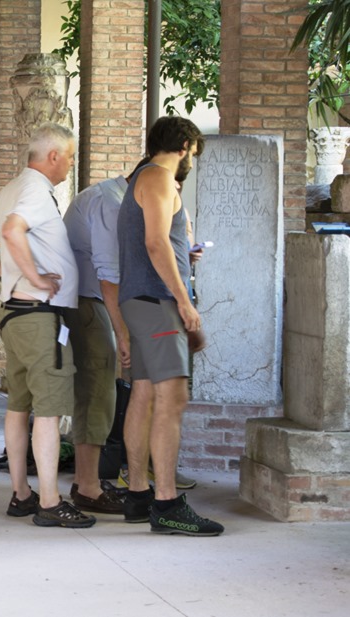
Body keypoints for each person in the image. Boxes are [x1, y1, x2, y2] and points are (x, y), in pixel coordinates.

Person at [0, 122, 94, 529]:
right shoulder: (36, 190)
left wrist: (9, 276)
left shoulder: (12, 188)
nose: (71, 164)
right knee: (49, 411)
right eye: (70, 156)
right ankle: (52, 502)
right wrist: (37, 279)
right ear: (53, 156)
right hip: (39, 317)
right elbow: (9, 231)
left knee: (19, 406)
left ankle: (22, 494)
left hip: (14, 315)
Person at [117, 115, 223, 536]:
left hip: (141, 299)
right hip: (158, 303)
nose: (190, 162)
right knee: (173, 397)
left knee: (142, 394)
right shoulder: (160, 177)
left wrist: (184, 256)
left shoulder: (141, 178)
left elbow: (163, 242)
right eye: (192, 154)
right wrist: (184, 300)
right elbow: (155, 242)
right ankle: (166, 502)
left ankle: (139, 495)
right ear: (183, 146)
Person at [62, 173, 132, 515]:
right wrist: (123, 333)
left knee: (98, 391)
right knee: (97, 391)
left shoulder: (110, 196)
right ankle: (87, 486)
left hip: (88, 301)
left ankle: (86, 480)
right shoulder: (111, 203)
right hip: (88, 302)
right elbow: (108, 273)